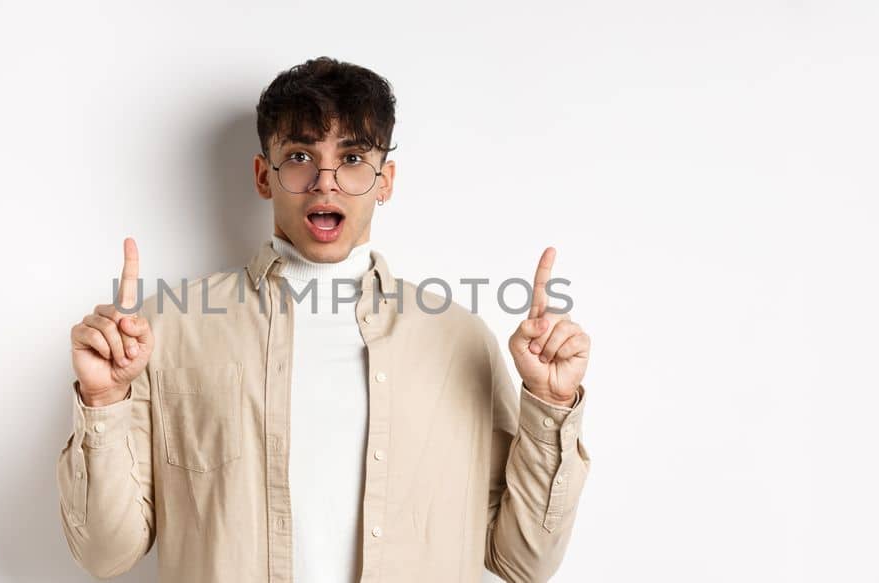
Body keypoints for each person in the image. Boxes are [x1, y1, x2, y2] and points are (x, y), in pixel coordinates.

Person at [58, 56, 592, 582]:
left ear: (386, 181)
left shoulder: (460, 342)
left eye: (354, 158)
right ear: (264, 176)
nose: (325, 182)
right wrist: (104, 402)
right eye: (299, 156)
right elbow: (106, 555)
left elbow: (524, 562)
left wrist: (550, 405)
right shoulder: (168, 332)